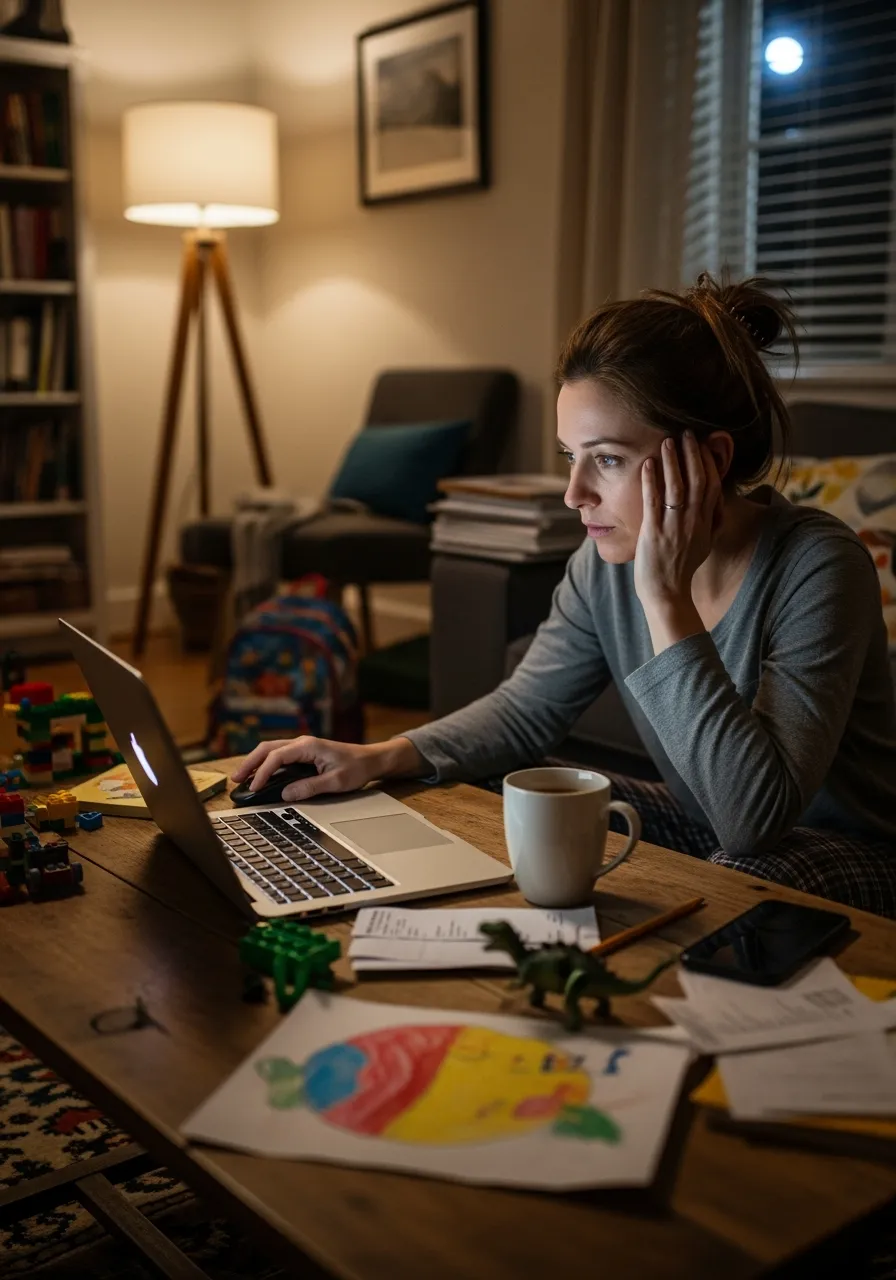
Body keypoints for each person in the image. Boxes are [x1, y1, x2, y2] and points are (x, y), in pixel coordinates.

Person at [232, 273, 896, 919]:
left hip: (849, 850)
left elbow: (752, 821)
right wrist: (375, 757)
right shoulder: (603, 562)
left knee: (739, 885)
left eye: (605, 459)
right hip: (709, 825)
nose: (575, 494)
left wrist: (666, 599)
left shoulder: (818, 565)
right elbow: (525, 713)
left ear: (711, 460)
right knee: (503, 786)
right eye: (569, 457)